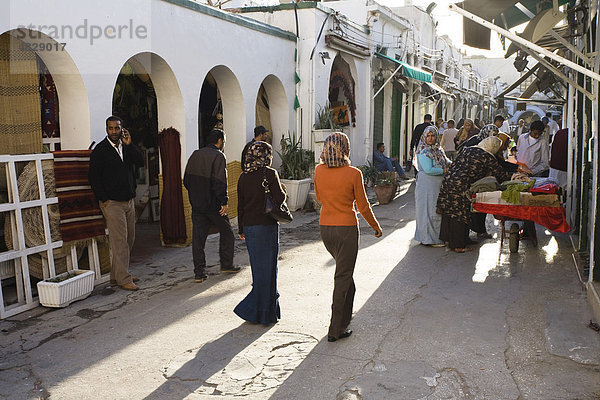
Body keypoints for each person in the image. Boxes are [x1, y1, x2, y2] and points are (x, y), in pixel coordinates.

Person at [314, 132, 382, 342]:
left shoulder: (318, 170)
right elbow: (362, 205)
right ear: (346, 149)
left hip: (326, 229)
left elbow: (318, 197)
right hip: (346, 230)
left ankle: (344, 320)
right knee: (343, 277)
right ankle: (336, 329)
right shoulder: (353, 173)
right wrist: (375, 226)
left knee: (346, 277)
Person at [89, 116, 144, 291]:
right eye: (111, 128)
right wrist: (104, 198)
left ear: (122, 129)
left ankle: (118, 274)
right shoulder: (100, 150)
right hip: (112, 203)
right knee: (119, 241)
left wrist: (130, 144)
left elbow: (140, 162)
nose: (114, 131)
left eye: (117, 128)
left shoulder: (126, 147)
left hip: (128, 200)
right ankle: (123, 278)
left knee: (129, 238)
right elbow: (94, 177)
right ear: (106, 129)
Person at [234, 141, 285, 325]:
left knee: (259, 270)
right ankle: (256, 310)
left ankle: (264, 312)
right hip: (266, 226)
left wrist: (241, 229)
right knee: (269, 270)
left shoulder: (242, 177)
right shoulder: (269, 173)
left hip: (249, 227)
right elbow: (279, 199)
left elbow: (240, 206)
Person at [184, 129, 241, 283]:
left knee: (198, 239)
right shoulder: (218, 156)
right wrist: (224, 201)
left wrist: (197, 195)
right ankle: (226, 264)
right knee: (227, 232)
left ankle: (199, 272)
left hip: (197, 204)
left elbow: (186, 181)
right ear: (220, 141)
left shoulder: (195, 154)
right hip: (213, 204)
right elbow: (219, 181)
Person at [437, 137, 512, 253]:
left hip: (448, 180)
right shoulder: (487, 156)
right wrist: (515, 177)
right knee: (460, 213)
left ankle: (448, 240)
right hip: (461, 184)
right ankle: (458, 245)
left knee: (449, 211)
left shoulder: (469, 149)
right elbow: (501, 175)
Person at [414, 126, 450, 246]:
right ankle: (429, 239)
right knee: (428, 211)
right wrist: (445, 171)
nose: (430, 138)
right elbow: (428, 170)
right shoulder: (423, 151)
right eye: (428, 136)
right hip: (427, 185)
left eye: (432, 135)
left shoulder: (438, 150)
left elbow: (447, 161)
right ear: (424, 137)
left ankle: (434, 237)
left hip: (437, 185)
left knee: (435, 211)